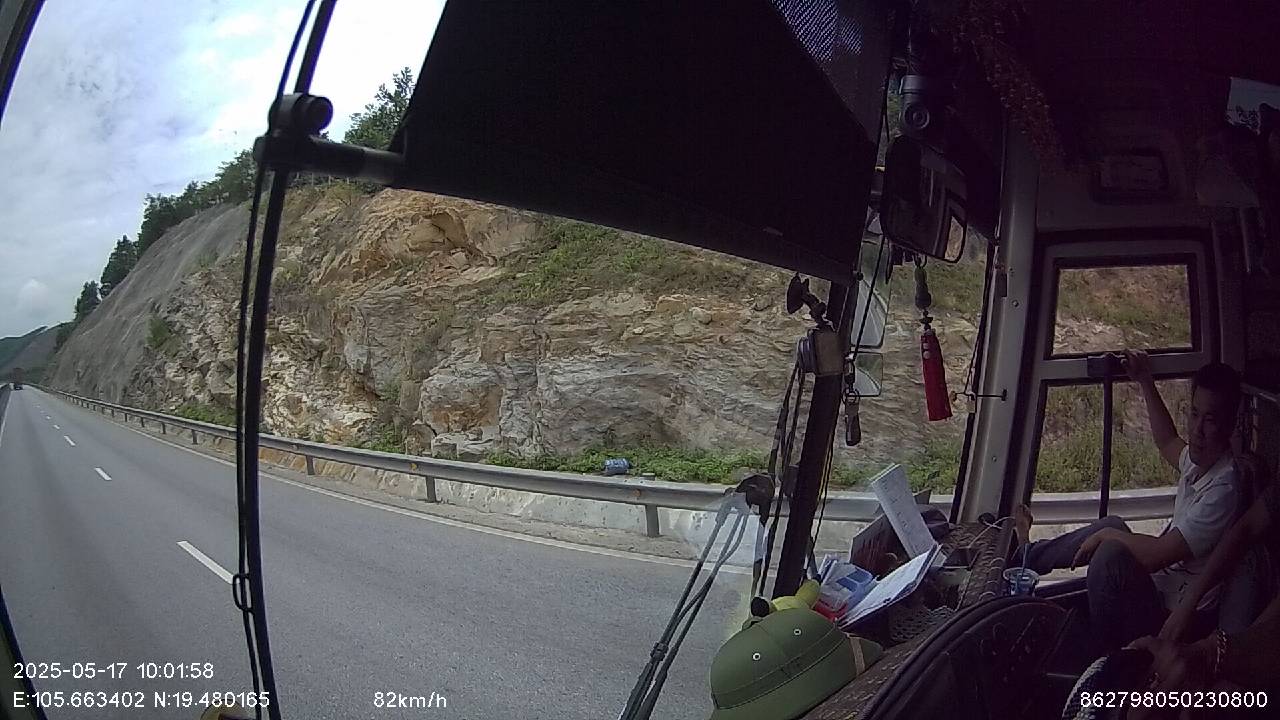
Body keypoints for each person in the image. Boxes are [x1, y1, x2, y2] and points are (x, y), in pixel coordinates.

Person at [1011, 351, 1242, 651]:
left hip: (1178, 618)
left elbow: (1157, 555)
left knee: (1110, 551)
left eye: (1210, 420)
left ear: (1230, 425)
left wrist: (1107, 536)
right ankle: (1023, 557)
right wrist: (1145, 381)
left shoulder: (1224, 489)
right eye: (1194, 414)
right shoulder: (1200, 461)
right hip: (1160, 589)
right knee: (1113, 525)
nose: (1197, 430)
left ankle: (1105, 659)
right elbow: (1167, 441)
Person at [1124, 465, 1280, 702]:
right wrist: (1188, 605)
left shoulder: (1224, 485)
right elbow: (1245, 529)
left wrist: (1221, 655)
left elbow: (1156, 555)